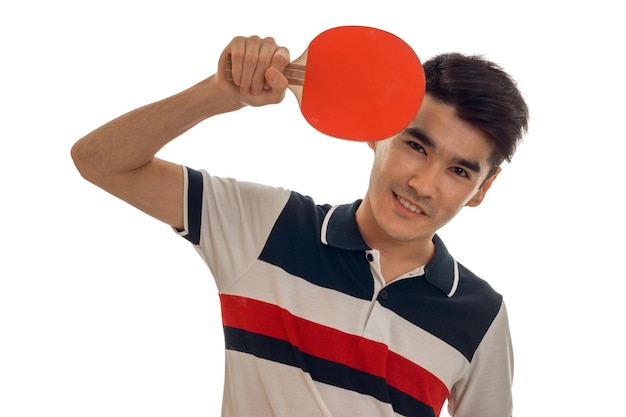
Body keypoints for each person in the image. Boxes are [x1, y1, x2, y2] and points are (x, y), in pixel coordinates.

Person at [71, 34, 529, 417]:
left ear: (482, 190)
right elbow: (100, 162)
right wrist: (216, 93)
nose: (422, 184)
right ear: (377, 131)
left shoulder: (482, 317)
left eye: (459, 171)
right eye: (416, 145)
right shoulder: (265, 227)